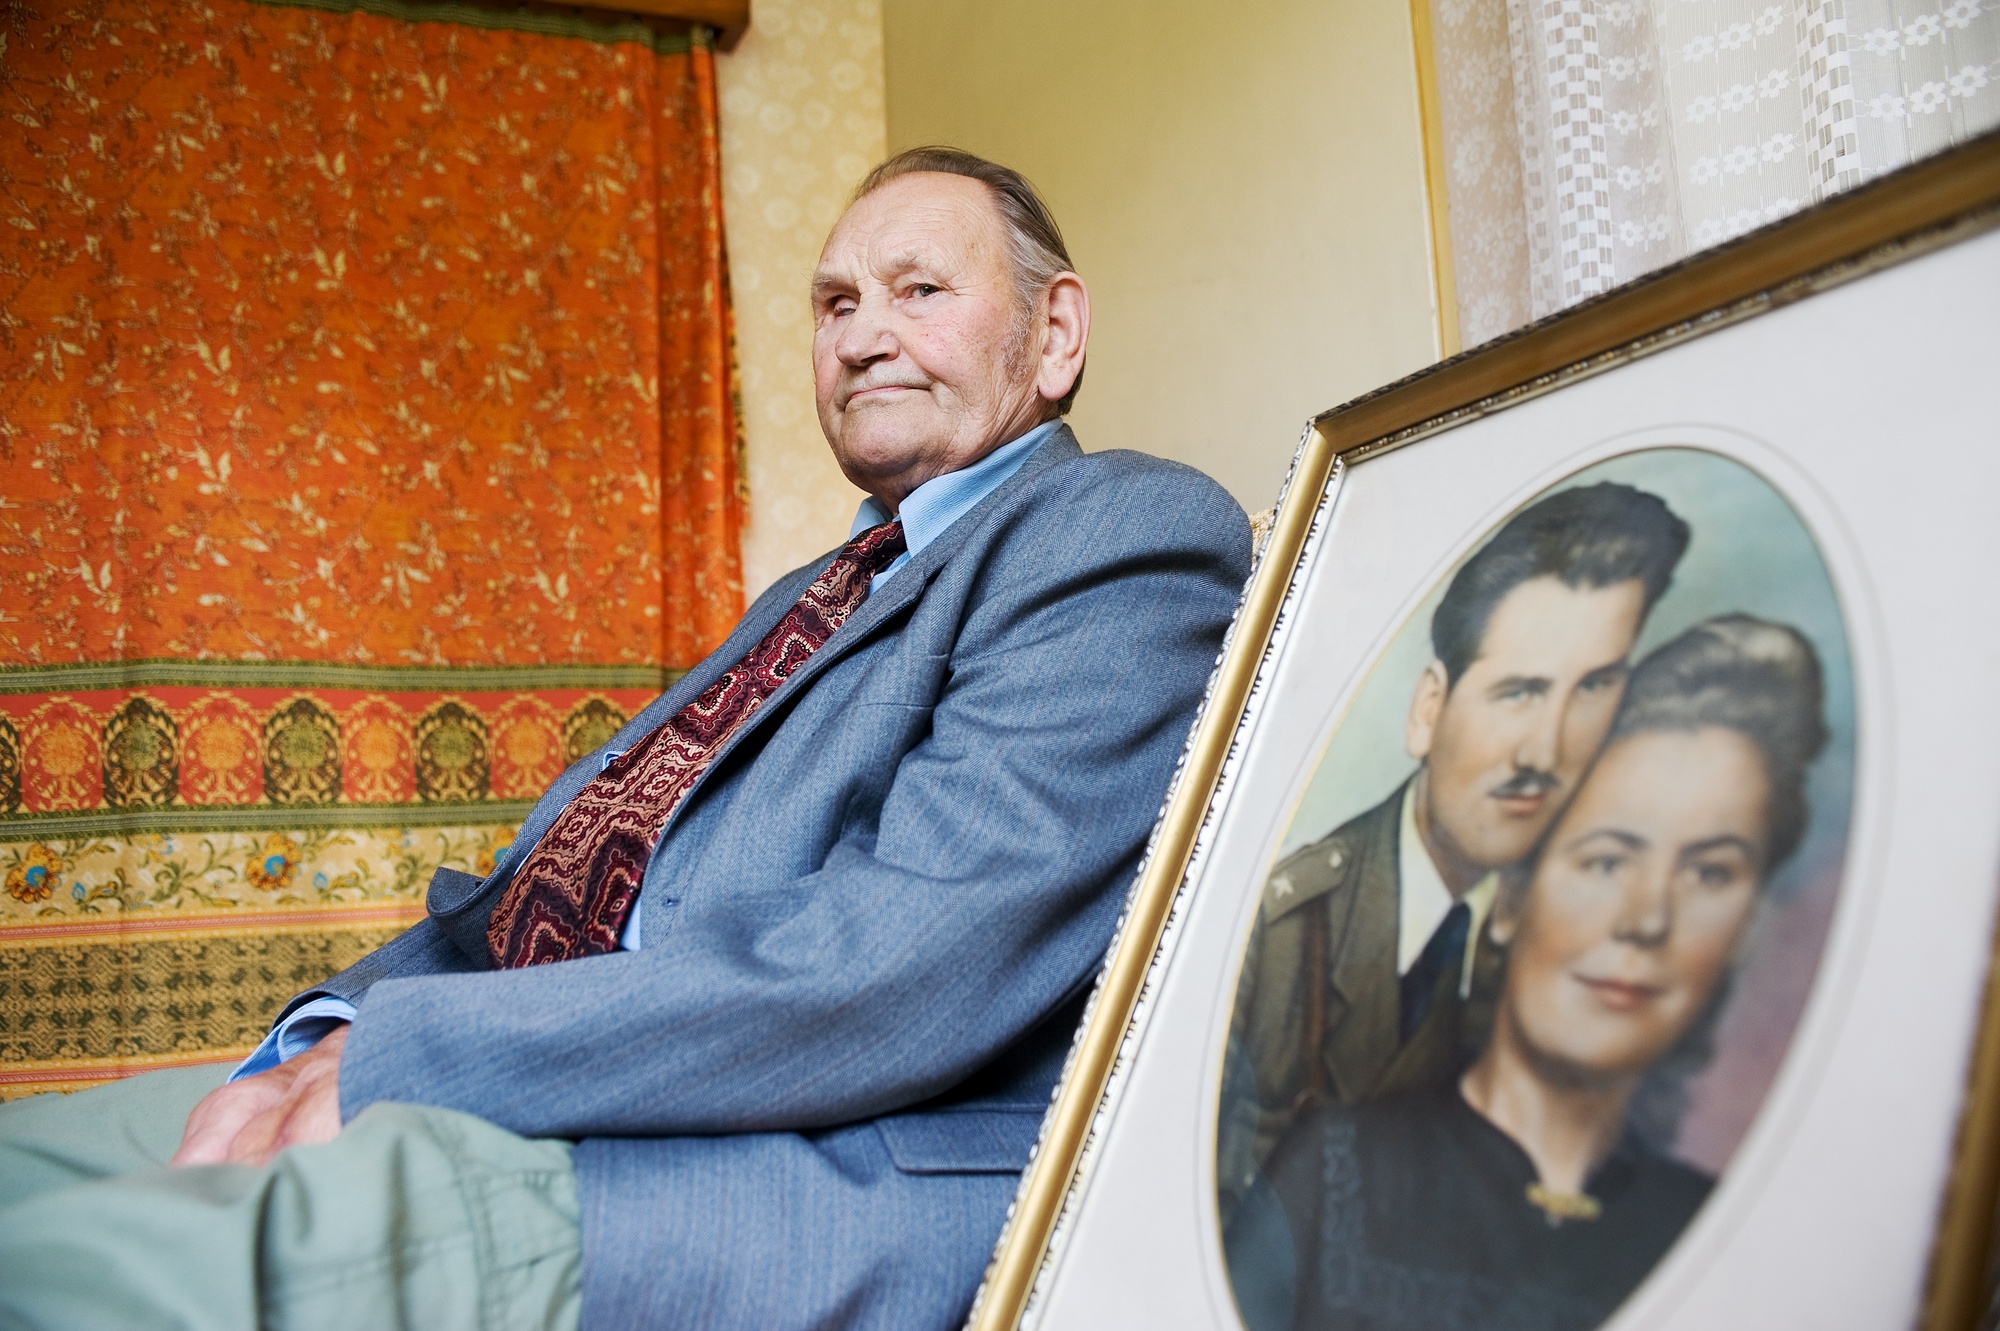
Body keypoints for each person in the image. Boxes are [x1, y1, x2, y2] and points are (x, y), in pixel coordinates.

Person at [0, 148, 1251, 1329]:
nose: (863, 334)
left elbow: (898, 966)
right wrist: (326, 1032)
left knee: (78, 1272)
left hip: (750, 1171)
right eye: (834, 303)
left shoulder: (1118, 531)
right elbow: (532, 896)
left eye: (918, 290)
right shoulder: (815, 594)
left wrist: (407, 1055)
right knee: (28, 1165)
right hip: (531, 1075)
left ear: (1055, 331)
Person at [1229, 615, 1829, 1331]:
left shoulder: (1727, 1239)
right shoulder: (1329, 1177)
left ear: (1748, 927)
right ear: (1512, 897)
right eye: (1606, 860)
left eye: (1710, 873)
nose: (1648, 918)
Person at [1218, 483, 1690, 1216]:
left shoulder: (1604, 945)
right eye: (1519, 692)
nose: (1545, 752)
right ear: (1428, 709)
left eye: (1594, 687)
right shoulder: (1278, 932)